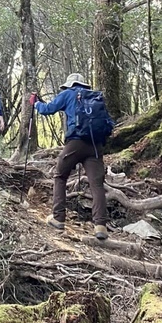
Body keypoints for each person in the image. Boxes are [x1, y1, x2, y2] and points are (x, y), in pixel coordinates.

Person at [30, 73, 109, 241]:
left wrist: (36, 103)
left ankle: (58, 218)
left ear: (69, 85)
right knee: (97, 184)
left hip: (75, 143)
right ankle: (100, 226)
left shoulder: (68, 94)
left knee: (60, 176)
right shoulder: (95, 97)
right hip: (95, 146)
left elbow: (48, 109)